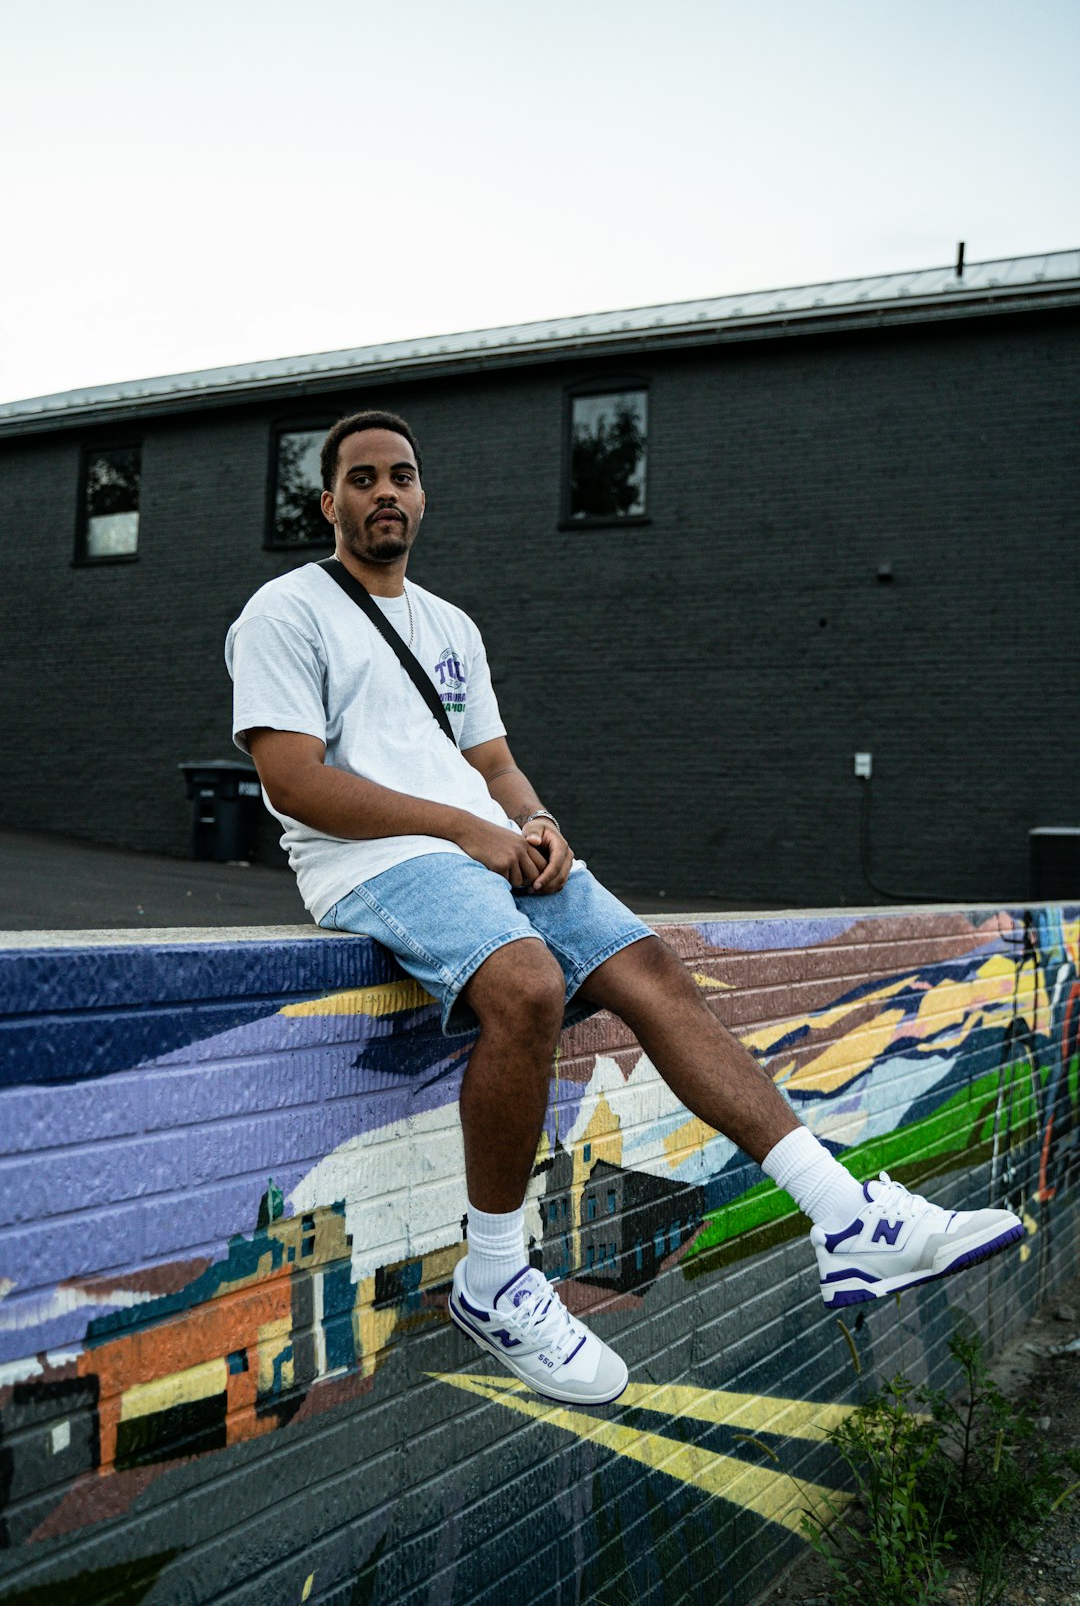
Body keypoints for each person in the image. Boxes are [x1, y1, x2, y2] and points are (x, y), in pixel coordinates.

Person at [226, 410, 1023, 1407]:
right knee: (525, 987)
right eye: (364, 479)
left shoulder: (451, 627)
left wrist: (534, 820)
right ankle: (496, 1276)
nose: (387, 493)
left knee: (653, 972)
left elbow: (495, 765)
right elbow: (294, 782)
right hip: (376, 860)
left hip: (488, 850)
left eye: (404, 476)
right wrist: (469, 832)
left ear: (423, 496)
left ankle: (845, 1220)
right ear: (329, 500)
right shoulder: (285, 613)